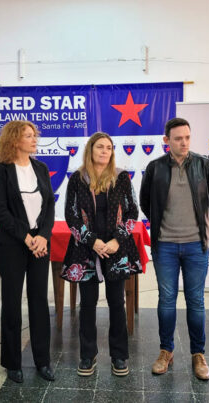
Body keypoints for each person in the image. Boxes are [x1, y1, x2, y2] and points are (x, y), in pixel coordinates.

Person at [140, 117, 209, 380]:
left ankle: (198, 354)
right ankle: (166, 351)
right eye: (178, 139)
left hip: (196, 246)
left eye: (187, 137)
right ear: (167, 141)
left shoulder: (204, 165)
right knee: (166, 300)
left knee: (196, 301)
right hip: (165, 246)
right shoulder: (155, 168)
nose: (184, 143)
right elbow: (145, 202)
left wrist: (199, 228)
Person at [61, 132, 142, 377]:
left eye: (109, 147)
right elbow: (71, 215)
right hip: (85, 249)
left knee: (117, 302)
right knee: (87, 304)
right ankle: (88, 355)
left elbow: (133, 212)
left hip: (117, 249)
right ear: (90, 150)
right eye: (100, 147)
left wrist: (117, 240)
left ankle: (119, 355)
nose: (105, 151)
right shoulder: (77, 179)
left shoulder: (122, 177)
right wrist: (92, 241)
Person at [0, 120, 55, 384]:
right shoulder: (1, 171)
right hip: (13, 245)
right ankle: (12, 363)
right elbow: (0, 211)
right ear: (15, 140)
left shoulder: (41, 168)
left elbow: (49, 206)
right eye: (28, 136)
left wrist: (43, 236)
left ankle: (43, 361)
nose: (34, 139)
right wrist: (26, 237)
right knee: (12, 302)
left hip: (39, 244)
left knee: (39, 301)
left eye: (34, 135)